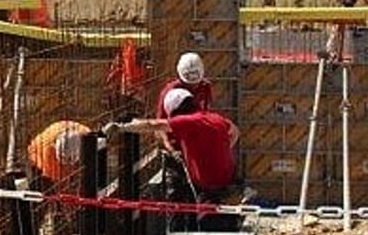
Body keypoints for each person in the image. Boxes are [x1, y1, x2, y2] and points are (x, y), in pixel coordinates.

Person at [105, 87, 239, 203]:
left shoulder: (187, 121)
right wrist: (219, 150)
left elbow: (154, 125)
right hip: (230, 181)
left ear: (174, 111)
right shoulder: (216, 118)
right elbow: (235, 132)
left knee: (209, 227)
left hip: (210, 187)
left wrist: (120, 127)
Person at [27, 120, 91, 184]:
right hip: (38, 157)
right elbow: (58, 177)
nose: (67, 163)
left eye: (71, 159)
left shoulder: (89, 138)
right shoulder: (47, 154)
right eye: (63, 158)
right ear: (54, 146)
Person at [155, 51, 214, 118]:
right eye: (188, 76)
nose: (192, 85)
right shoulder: (170, 91)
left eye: (195, 75)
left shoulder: (205, 87)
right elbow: (161, 118)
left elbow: (207, 111)